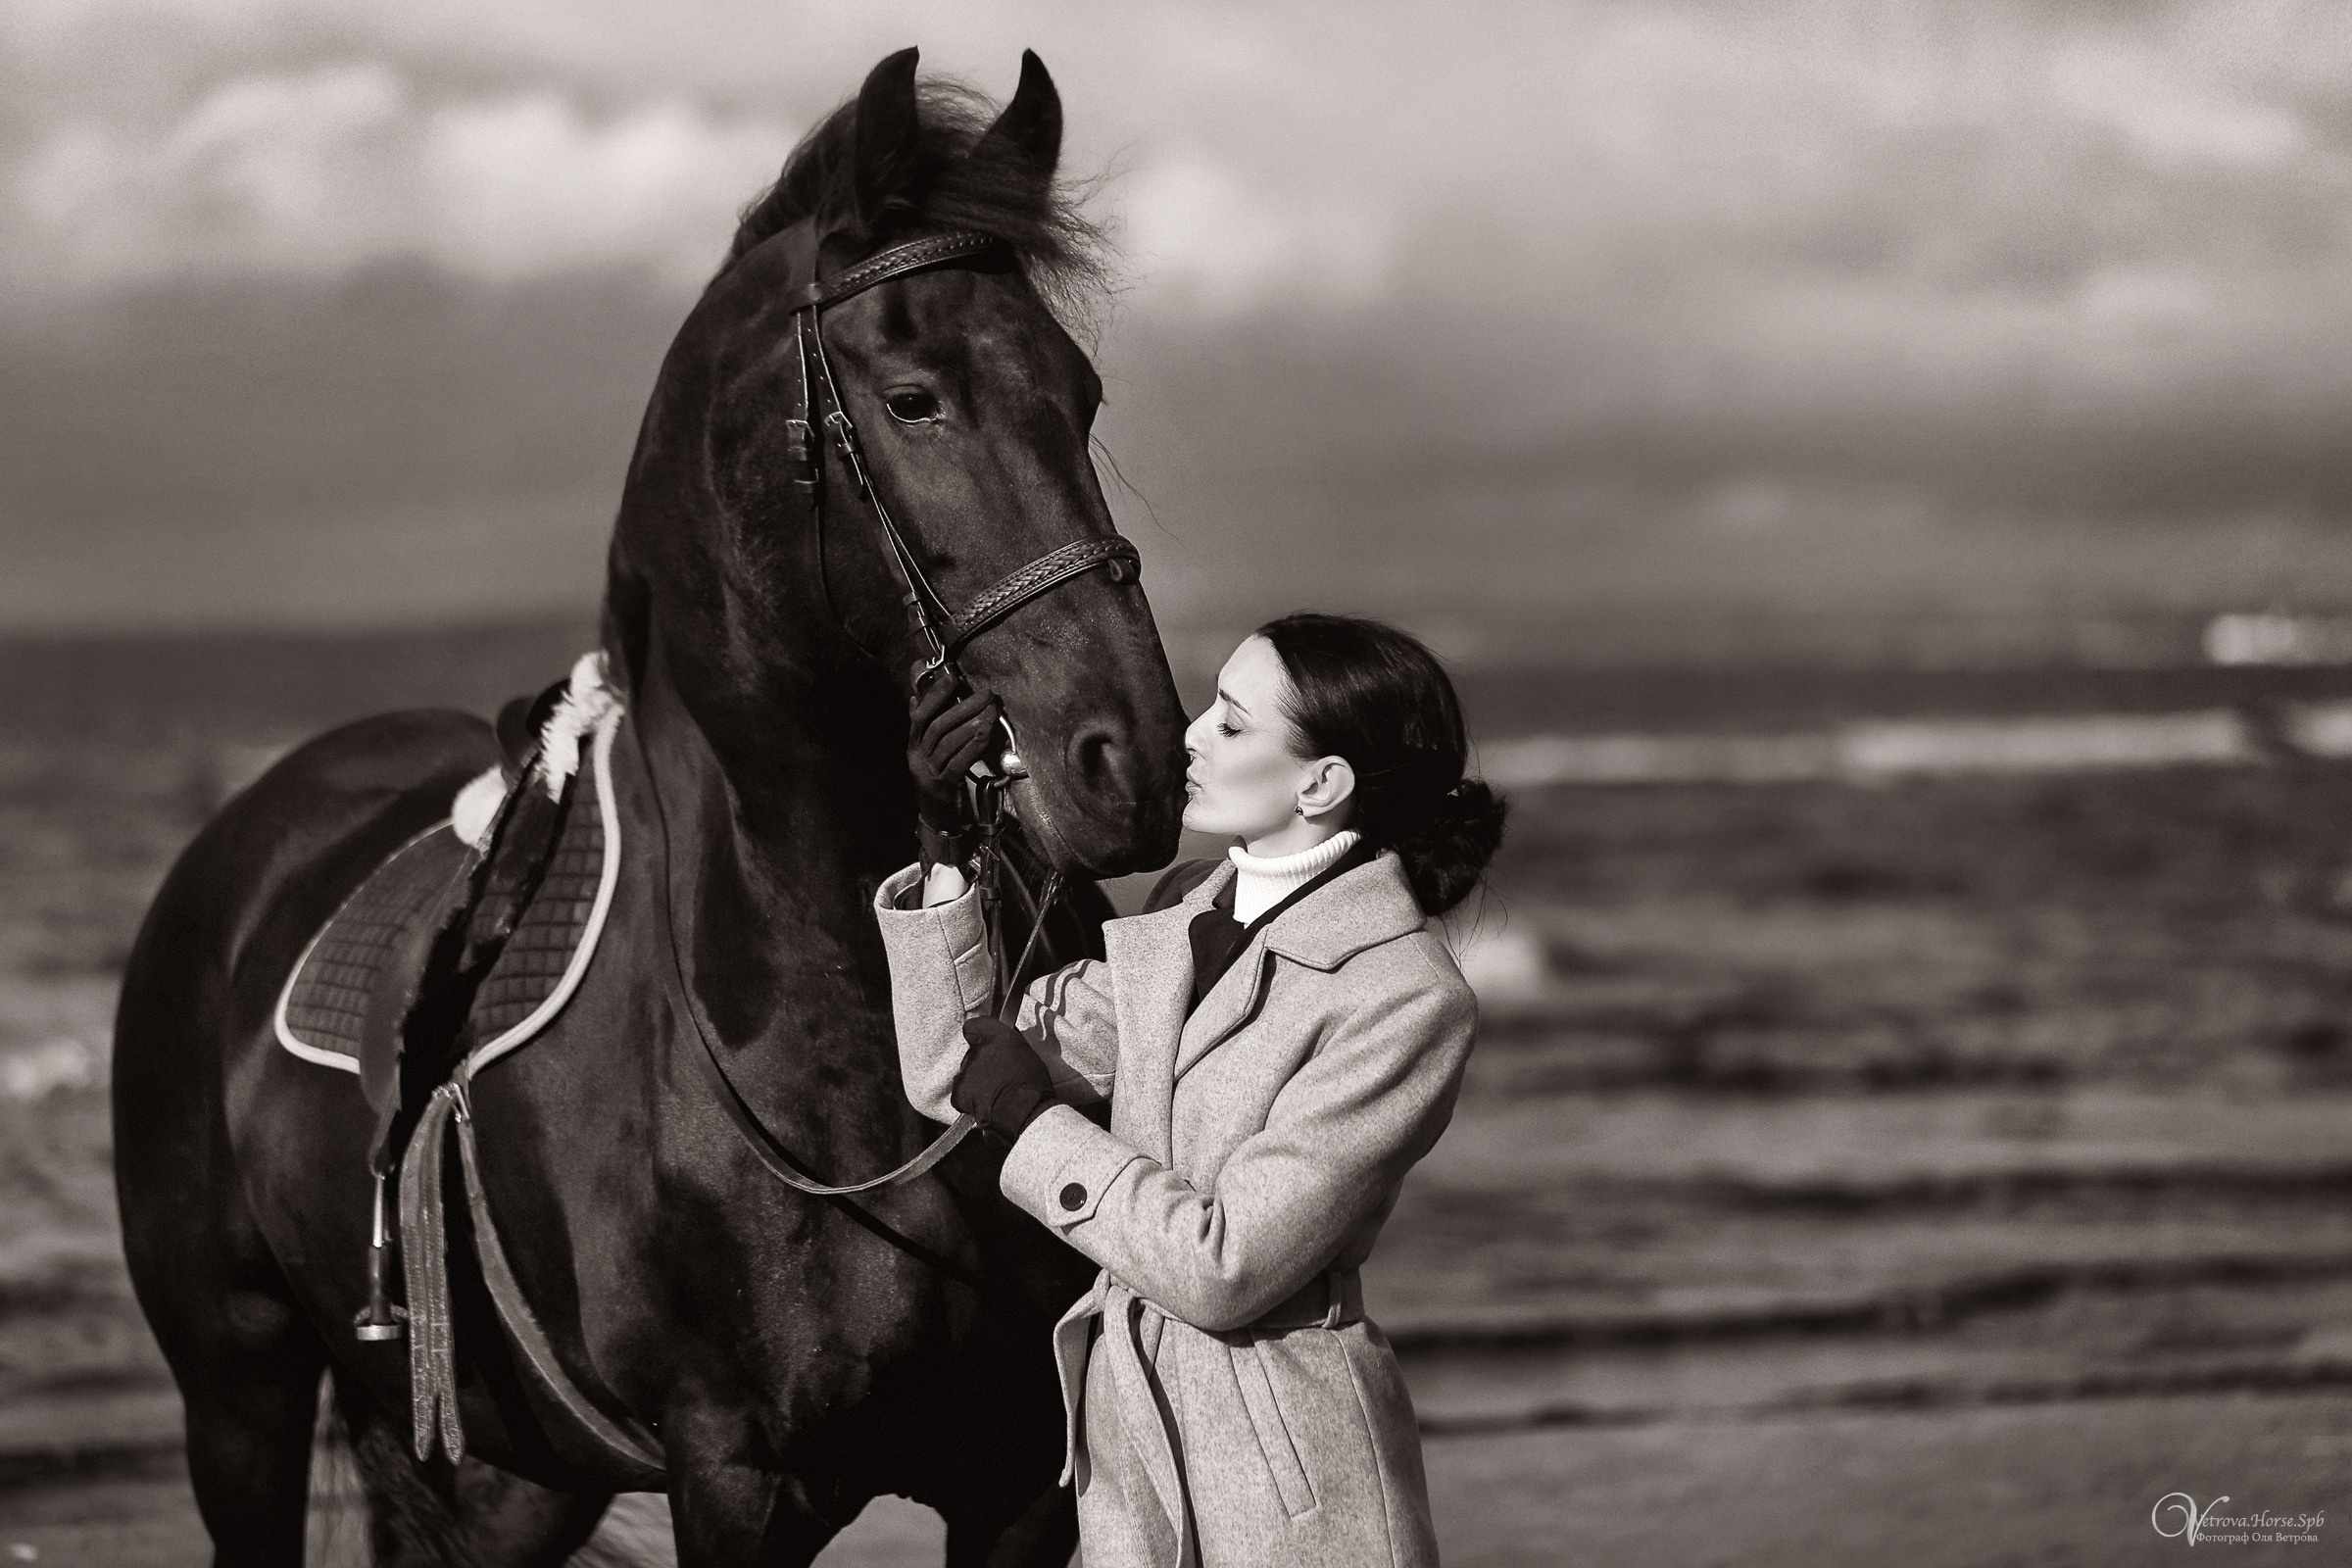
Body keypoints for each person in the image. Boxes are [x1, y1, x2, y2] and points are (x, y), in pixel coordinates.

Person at [872, 612, 1506, 1568]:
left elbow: (1227, 1268)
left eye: (1233, 722)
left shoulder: (1406, 995)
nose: (1191, 735)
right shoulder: (1183, 916)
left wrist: (1035, 1122)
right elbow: (952, 1068)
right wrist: (945, 840)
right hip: (1127, 1462)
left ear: (1321, 782)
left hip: (1292, 1490)